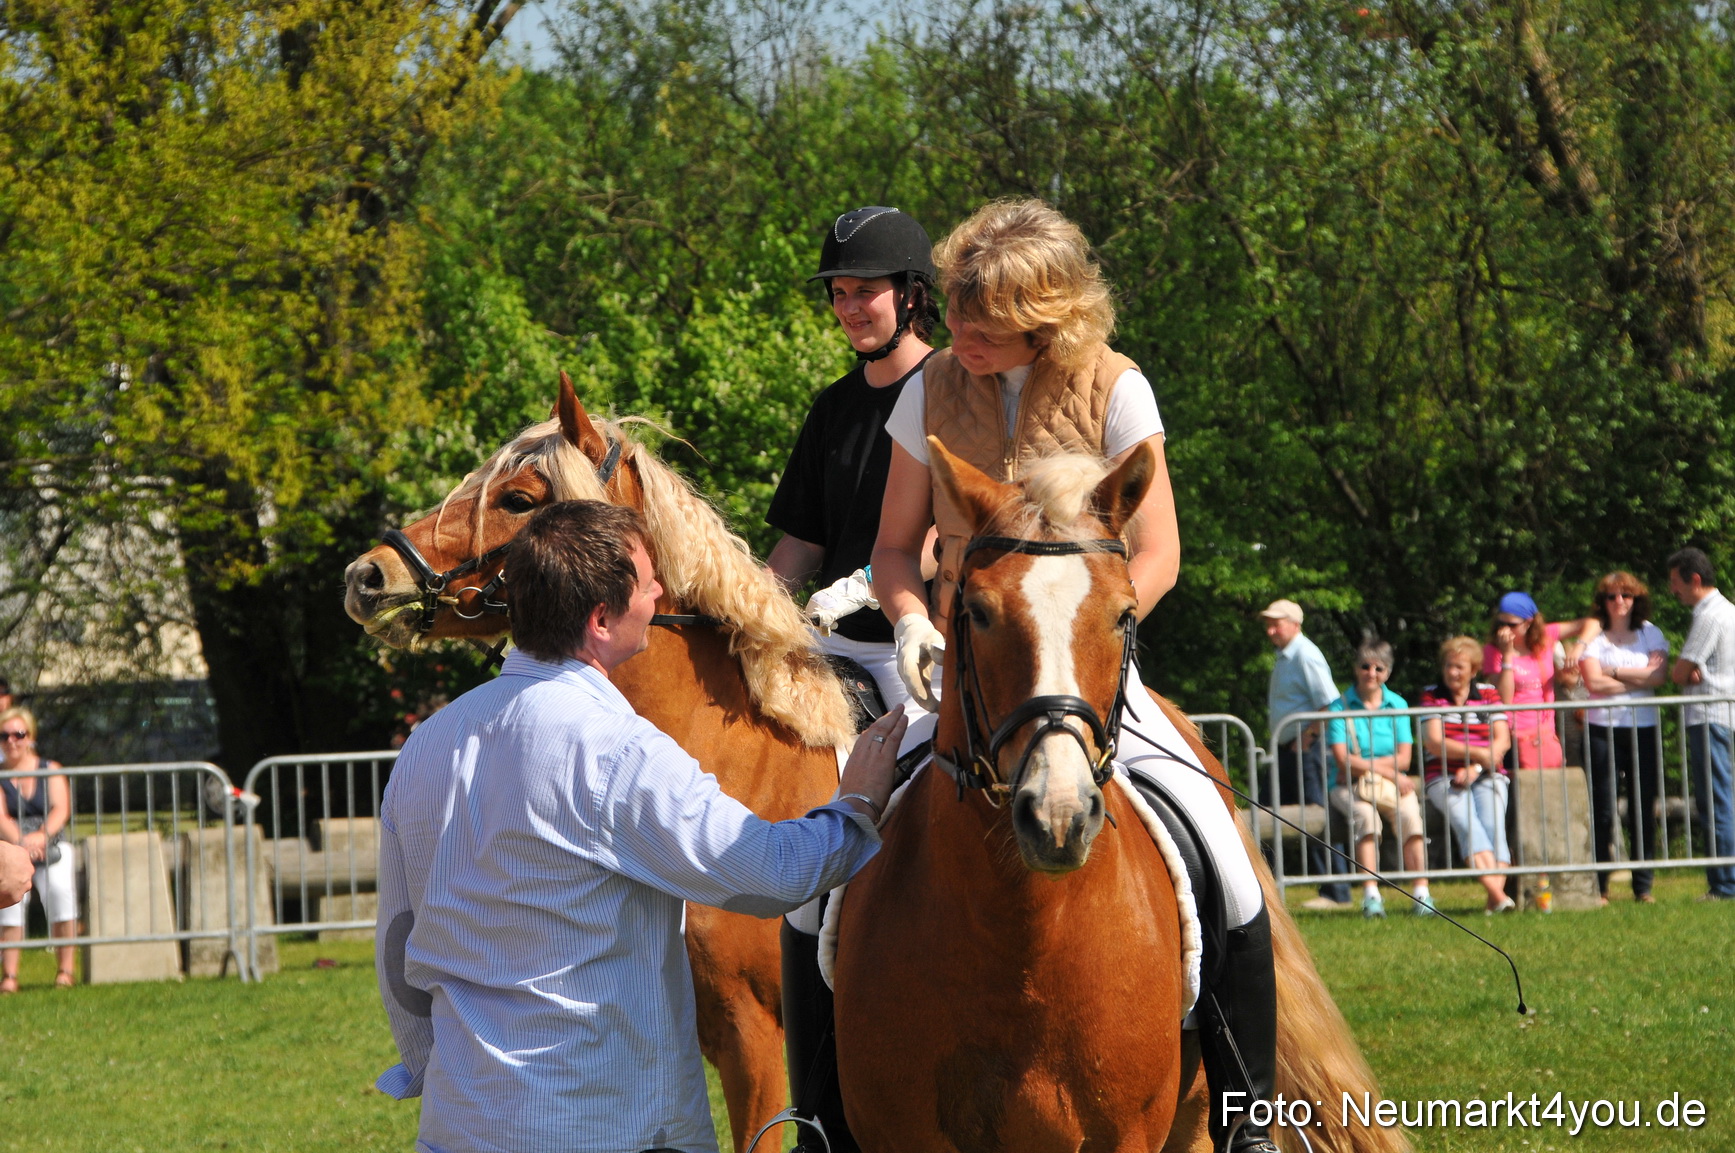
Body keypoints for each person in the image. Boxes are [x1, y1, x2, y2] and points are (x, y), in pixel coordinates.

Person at [872, 199, 1281, 1153]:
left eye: (982, 318)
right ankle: (816, 1123)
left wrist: (1093, 639)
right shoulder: (923, 390)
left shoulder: (1117, 387)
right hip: (954, 673)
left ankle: (1249, 1116)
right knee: (828, 877)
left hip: (1090, 670)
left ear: (1048, 315)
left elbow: (1159, 552)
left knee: (1223, 857)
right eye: (957, 310)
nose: (957, 332)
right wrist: (906, 626)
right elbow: (894, 549)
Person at [373, 500, 907, 1153]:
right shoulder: (615, 746)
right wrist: (854, 807)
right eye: (648, 579)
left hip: (461, 1124)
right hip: (607, 1127)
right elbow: (769, 872)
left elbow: (398, 947)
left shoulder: (427, 744)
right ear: (601, 618)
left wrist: (429, 1067)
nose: (661, 590)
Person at [767, 207, 940, 718]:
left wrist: (864, 587)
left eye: (864, 291)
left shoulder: (954, 393)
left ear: (911, 294)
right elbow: (802, 540)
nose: (848, 308)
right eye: (839, 293)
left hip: (912, 645)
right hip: (829, 645)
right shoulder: (832, 405)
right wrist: (746, 607)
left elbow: (956, 533)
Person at [1578, 572, 1669, 905]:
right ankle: (1600, 886)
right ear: (1602, 601)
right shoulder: (1595, 636)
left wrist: (1612, 672)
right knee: (1603, 808)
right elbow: (1593, 684)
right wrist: (1637, 680)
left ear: (1636, 599)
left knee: (1643, 806)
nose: (1619, 602)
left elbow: (1659, 676)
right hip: (1601, 727)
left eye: (1625, 596)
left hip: (1642, 727)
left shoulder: (1650, 633)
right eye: (1612, 596)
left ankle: (1642, 887)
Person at [1327, 639, 1430, 918]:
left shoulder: (1397, 704)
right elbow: (1342, 761)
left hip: (1392, 784)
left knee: (1411, 816)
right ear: (1355, 668)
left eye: (1378, 668)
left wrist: (1367, 765)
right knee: (1366, 817)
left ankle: (1422, 893)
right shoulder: (1338, 707)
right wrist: (1387, 769)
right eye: (1365, 666)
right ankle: (1371, 896)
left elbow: (1405, 758)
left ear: (1388, 672)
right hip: (1348, 786)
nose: (1371, 673)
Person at [1261, 600, 1352, 909]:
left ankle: (1336, 891)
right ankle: (1314, 888)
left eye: (1278, 623)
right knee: (1275, 814)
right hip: (1291, 749)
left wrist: (1307, 737)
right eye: (1268, 623)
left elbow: (1330, 703)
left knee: (1315, 816)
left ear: (1295, 624)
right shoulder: (1288, 655)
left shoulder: (1306, 654)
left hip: (1307, 751)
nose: (1271, 629)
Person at [1419, 637, 1515, 913]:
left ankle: (1494, 900)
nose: (1452, 672)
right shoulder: (1431, 695)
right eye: (1449, 666)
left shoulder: (1488, 694)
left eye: (1459, 667)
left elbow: (1502, 740)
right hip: (1443, 776)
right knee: (1467, 825)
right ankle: (1499, 896)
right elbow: (1435, 743)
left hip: (1487, 774)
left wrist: (1475, 767)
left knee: (1495, 827)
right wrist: (1480, 753)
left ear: (1473, 670)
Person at [1666, 547, 1735, 902]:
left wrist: (1688, 671)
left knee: (1716, 801)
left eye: (1675, 582)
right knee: (1720, 798)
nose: (1672, 590)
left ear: (1694, 580)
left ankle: (1725, 885)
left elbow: (1680, 671)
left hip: (1709, 716)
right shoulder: (1729, 611)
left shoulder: (1709, 615)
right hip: (1721, 714)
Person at [0, 706, 77, 989]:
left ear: (30, 736)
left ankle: (65, 971)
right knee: (8, 901)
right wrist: (22, 842)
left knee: (60, 893)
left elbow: (61, 808)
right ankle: (9, 976)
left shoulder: (50, 769)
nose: (11, 741)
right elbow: (1, 817)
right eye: (4, 736)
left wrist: (41, 836)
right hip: (14, 846)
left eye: (18, 734)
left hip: (51, 846)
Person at [1483, 591, 1597, 769]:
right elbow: (1504, 699)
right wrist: (1507, 656)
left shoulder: (1545, 636)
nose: (1504, 629)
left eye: (1511, 624)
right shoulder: (1493, 649)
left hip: (1543, 733)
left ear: (1528, 623)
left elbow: (1593, 622)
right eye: (1501, 623)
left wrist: (1577, 648)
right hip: (1511, 733)